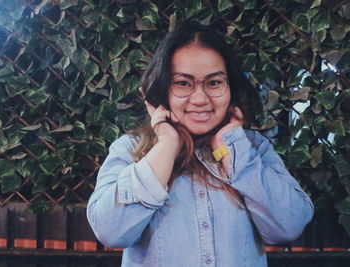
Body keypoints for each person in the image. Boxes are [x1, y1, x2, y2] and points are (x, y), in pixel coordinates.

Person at [87, 21, 314, 267]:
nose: (200, 99)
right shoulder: (130, 149)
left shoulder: (254, 148)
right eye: (183, 83)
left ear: (230, 88)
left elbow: (288, 226)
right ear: (164, 88)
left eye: (214, 82)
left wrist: (230, 146)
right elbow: (110, 231)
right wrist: (167, 144)